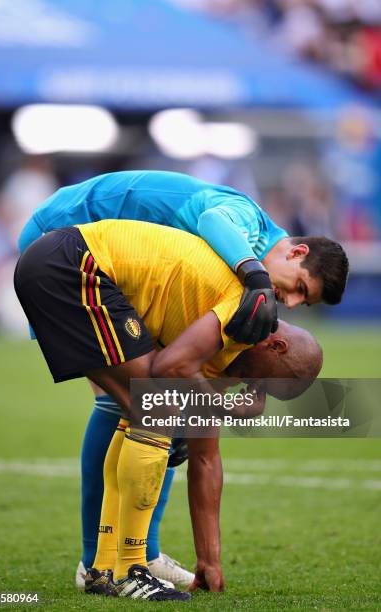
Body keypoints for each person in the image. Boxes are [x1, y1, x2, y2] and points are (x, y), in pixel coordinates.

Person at [17, 170, 349, 586]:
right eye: (299, 288)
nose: (292, 303)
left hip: (98, 265)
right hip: (65, 237)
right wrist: (257, 277)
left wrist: (211, 557)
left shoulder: (245, 307)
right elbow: (211, 224)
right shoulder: (246, 229)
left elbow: (205, 445)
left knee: (165, 411)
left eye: (304, 301)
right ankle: (104, 561)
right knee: (145, 404)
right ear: (296, 252)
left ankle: (132, 555)